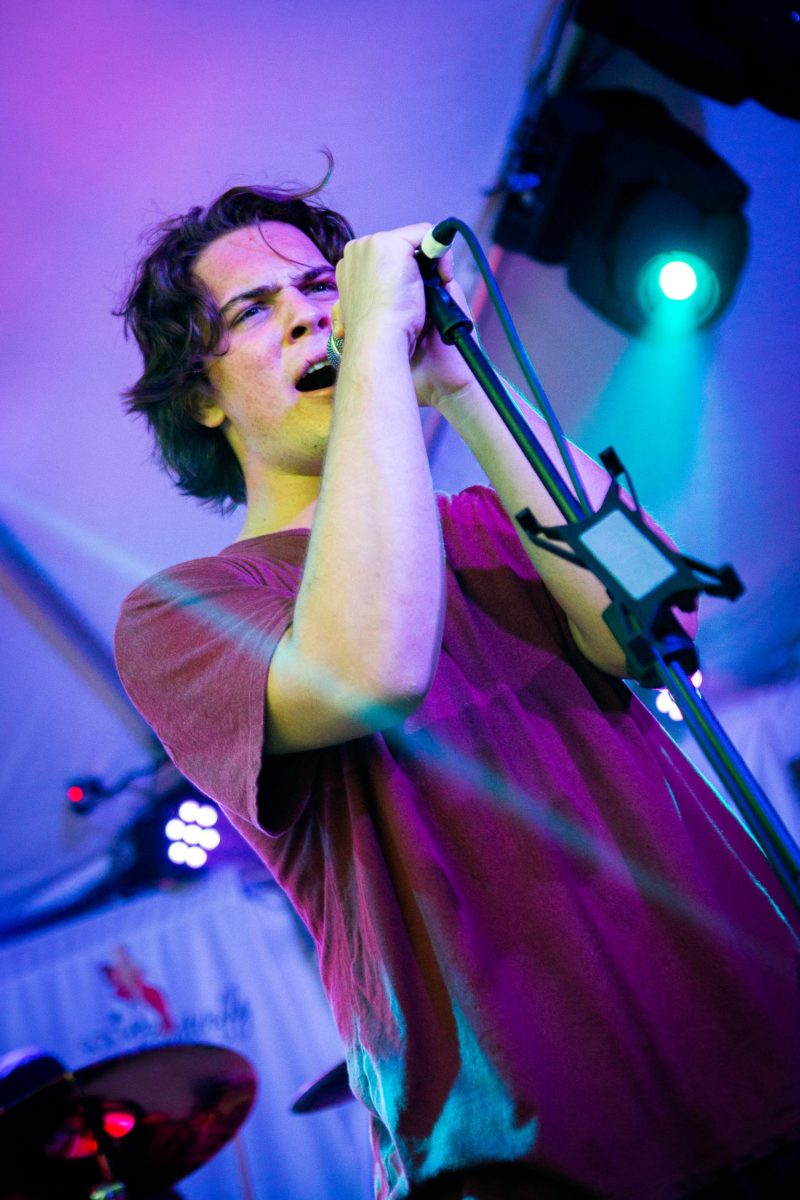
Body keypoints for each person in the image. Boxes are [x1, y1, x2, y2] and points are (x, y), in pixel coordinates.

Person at [114, 175, 800, 1200]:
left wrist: (457, 382)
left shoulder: (493, 516)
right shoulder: (185, 610)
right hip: (523, 1157)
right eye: (254, 310)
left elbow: (650, 619)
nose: (309, 314)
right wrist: (372, 378)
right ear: (200, 396)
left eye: (323, 286)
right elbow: (370, 671)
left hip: (765, 1062)